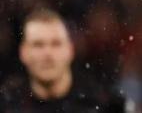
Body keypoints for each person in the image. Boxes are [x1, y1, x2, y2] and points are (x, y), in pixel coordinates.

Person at [0, 8, 133, 112]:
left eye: (56, 44)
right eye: (38, 45)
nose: (47, 54)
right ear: (23, 52)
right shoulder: (6, 103)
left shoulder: (105, 104)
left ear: (70, 50)